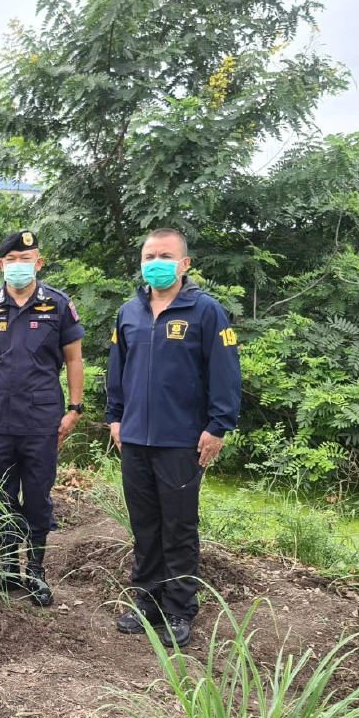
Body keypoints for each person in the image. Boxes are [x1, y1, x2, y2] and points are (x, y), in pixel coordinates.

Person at [107, 228, 242, 648]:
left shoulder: (206, 312)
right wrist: (115, 418)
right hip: (135, 439)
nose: (155, 262)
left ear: (184, 264)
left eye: (165, 255)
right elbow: (118, 369)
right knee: (144, 524)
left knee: (179, 525)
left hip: (182, 440)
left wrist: (218, 426)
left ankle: (180, 608)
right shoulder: (129, 311)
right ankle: (146, 601)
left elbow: (225, 373)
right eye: (149, 255)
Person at [0, 230, 85, 607]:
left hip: (41, 420)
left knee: (36, 496)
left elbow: (75, 359)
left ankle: (36, 569)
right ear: (2, 264)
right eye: (13, 258)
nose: (20, 264)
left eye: (27, 257)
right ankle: (6, 567)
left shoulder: (58, 305)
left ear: (39, 262)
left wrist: (75, 409)